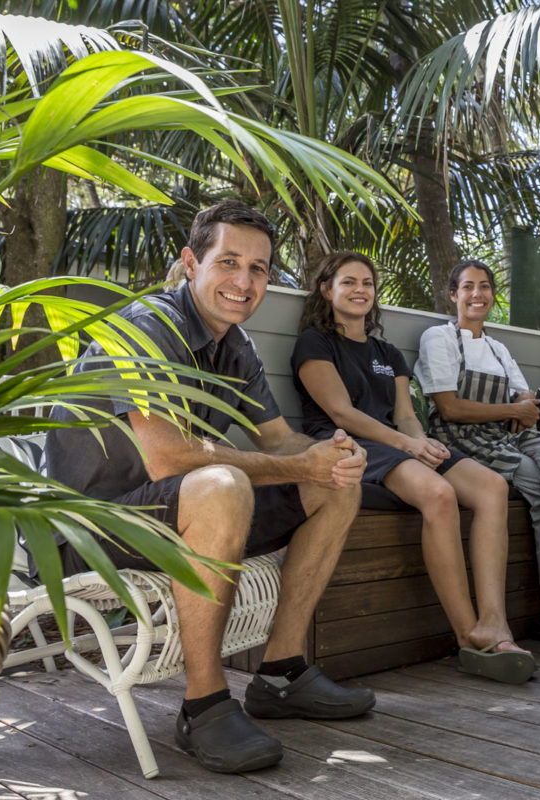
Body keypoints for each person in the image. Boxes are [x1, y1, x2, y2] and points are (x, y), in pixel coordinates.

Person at [45, 202, 374, 774]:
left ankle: (280, 673)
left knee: (337, 487)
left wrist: (335, 454)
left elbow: (276, 440)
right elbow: (169, 458)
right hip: (94, 528)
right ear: (190, 262)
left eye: (260, 269)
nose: (244, 282)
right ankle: (203, 704)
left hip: (174, 515)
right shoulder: (144, 327)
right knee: (220, 484)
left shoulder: (234, 345)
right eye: (229, 262)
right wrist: (303, 467)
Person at [291, 251, 535, 684]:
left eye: (367, 282)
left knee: (492, 487)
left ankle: (494, 622)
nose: (360, 290)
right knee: (438, 495)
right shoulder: (316, 342)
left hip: (398, 441)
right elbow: (341, 412)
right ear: (327, 290)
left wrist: (422, 442)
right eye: (348, 282)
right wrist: (407, 444)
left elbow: (404, 414)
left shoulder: (387, 353)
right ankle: (466, 636)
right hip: (346, 444)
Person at [415, 259, 540, 643]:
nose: (477, 294)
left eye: (484, 287)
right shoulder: (439, 338)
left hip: (506, 435)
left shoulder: (498, 348)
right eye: (468, 287)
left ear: (493, 296)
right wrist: (513, 409)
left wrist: (522, 406)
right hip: (462, 439)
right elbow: (449, 408)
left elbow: (525, 396)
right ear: (453, 295)